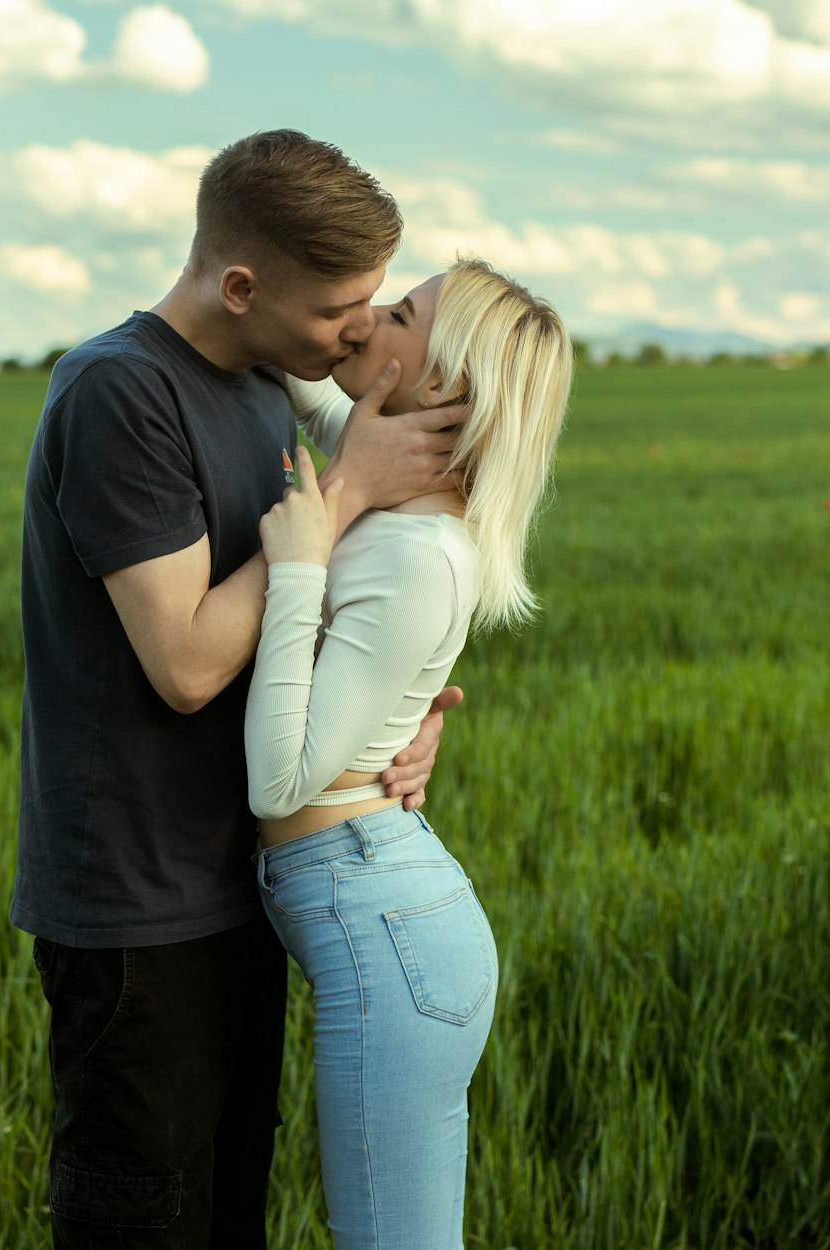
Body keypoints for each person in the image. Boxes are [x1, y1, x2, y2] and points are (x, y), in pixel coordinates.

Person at [10, 129, 467, 1250]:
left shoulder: (268, 387)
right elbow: (188, 661)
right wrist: (347, 489)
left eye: (374, 300)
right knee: (143, 1219)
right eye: (335, 309)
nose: (358, 327)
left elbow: (332, 613)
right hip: (135, 906)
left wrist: (405, 722)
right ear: (240, 283)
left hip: (244, 885)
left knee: (225, 1216)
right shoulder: (120, 392)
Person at [247, 257, 573, 1250]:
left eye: (394, 314)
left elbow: (281, 775)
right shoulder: (383, 477)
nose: (358, 323)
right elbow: (292, 361)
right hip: (376, 902)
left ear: (438, 385)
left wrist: (301, 555)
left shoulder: (412, 549)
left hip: (384, 924)